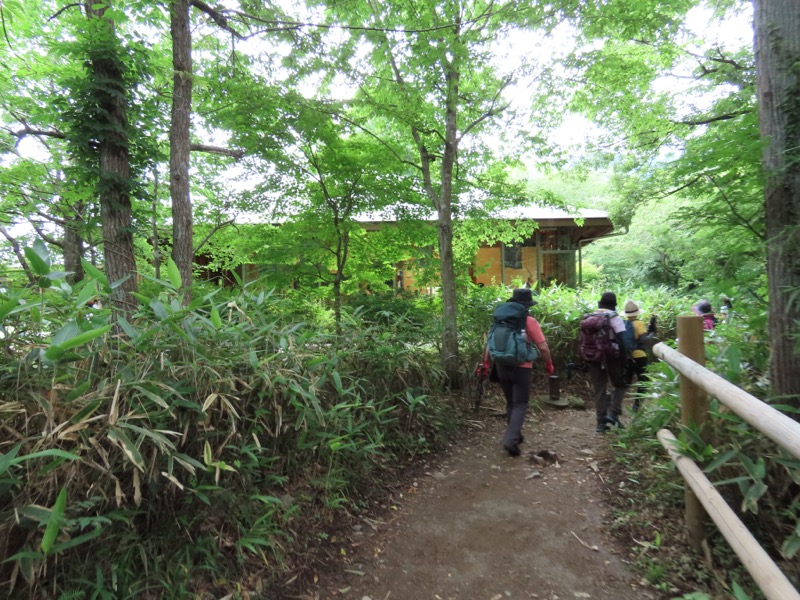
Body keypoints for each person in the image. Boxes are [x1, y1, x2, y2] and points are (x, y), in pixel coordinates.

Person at [479, 288, 554, 456]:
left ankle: (516, 435)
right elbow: (543, 346)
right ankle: (510, 440)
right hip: (522, 367)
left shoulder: (499, 319)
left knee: (511, 402)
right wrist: (549, 364)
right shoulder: (529, 321)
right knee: (520, 403)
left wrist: (486, 363)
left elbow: (489, 345)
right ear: (527, 305)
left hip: (501, 365)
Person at [586, 292, 628, 433]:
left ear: (600, 304)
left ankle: (600, 424)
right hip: (611, 357)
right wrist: (624, 362)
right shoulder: (615, 318)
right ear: (614, 305)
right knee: (620, 384)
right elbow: (622, 342)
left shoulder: (590, 317)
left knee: (599, 389)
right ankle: (613, 414)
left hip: (593, 357)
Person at [621, 300, 656, 411]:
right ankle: (637, 405)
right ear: (637, 313)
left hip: (627, 357)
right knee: (644, 380)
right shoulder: (639, 323)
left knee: (626, 381)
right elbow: (644, 340)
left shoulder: (623, 323)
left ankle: (614, 403)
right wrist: (652, 333)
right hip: (639, 356)